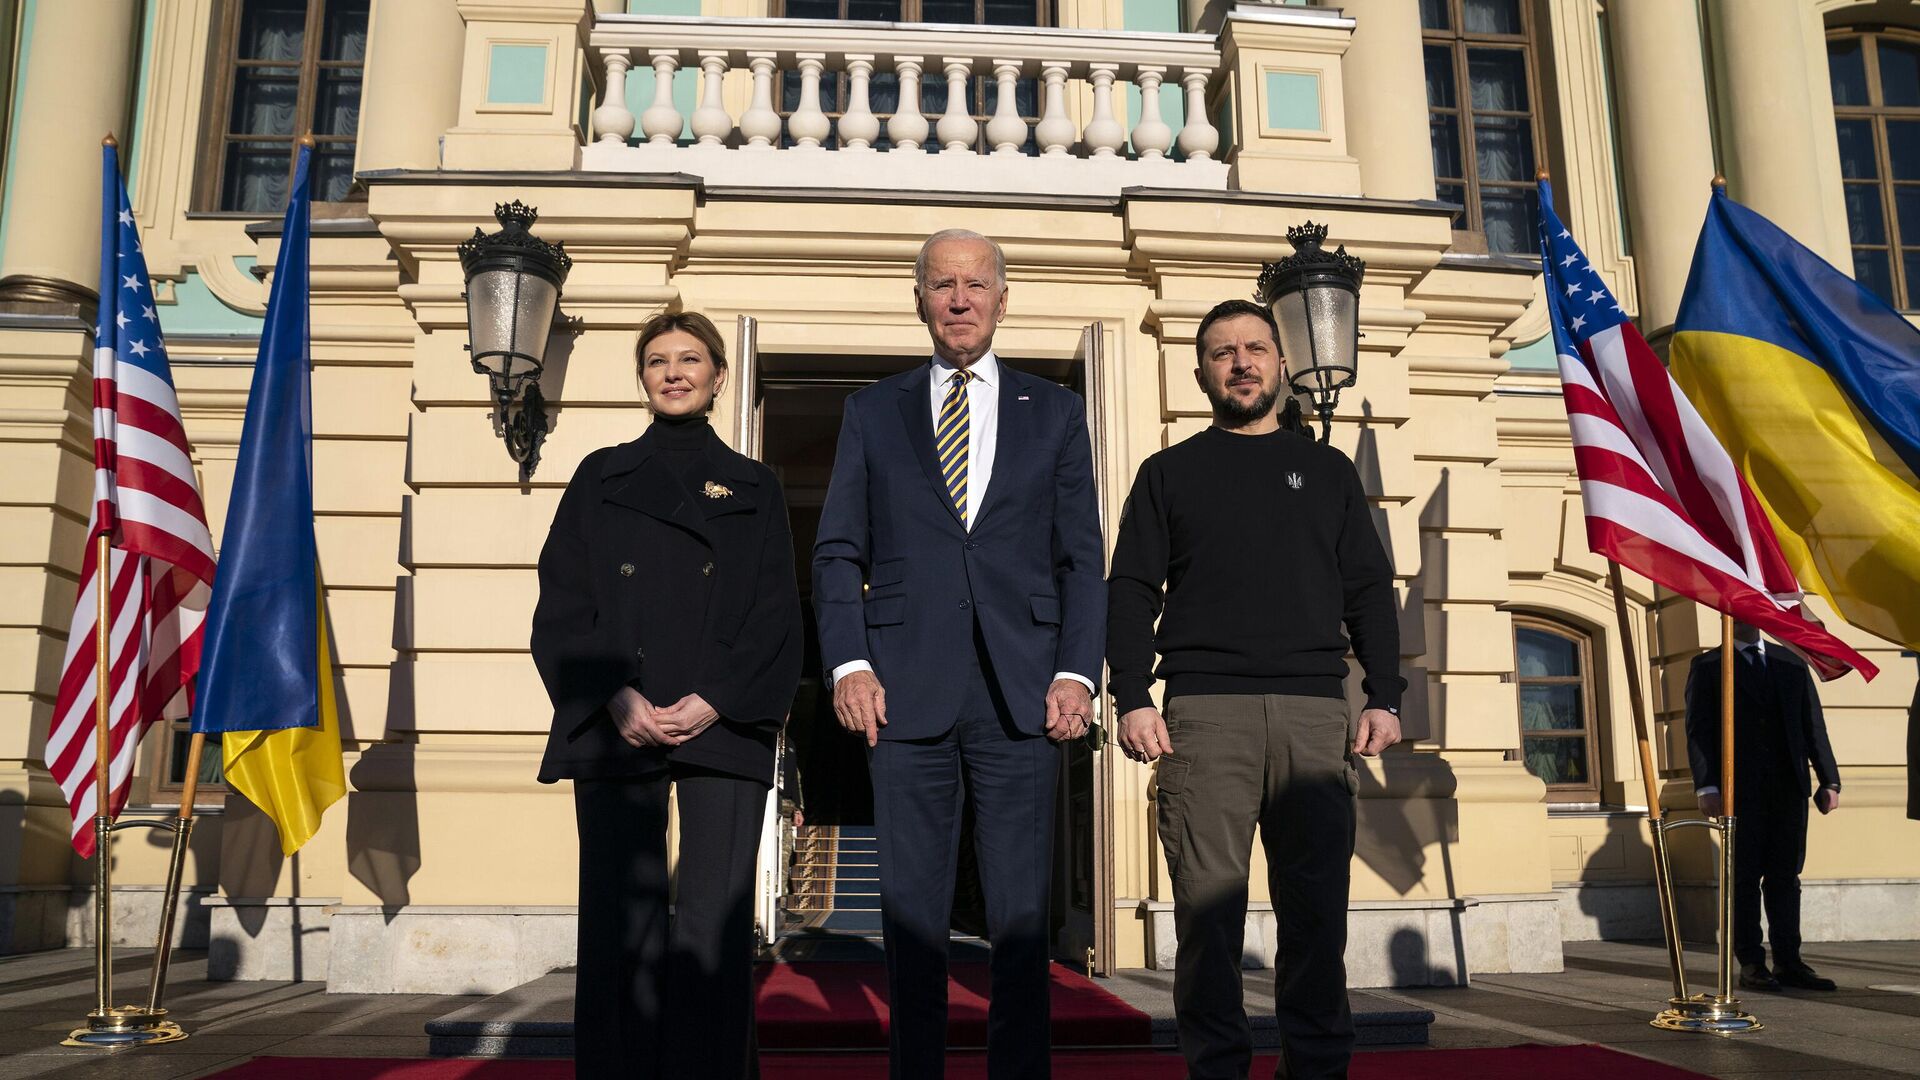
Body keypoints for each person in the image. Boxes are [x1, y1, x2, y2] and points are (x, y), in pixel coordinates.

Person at [812, 228, 1106, 1080]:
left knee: (1019, 918)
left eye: (976, 284)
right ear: (920, 300)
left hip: (1026, 692)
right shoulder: (872, 411)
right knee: (910, 915)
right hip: (904, 691)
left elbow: (1081, 556)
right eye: (942, 283)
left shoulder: (1053, 411)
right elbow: (837, 551)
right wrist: (849, 664)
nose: (960, 299)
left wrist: (1077, 671)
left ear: (1003, 300)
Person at [1108, 299, 1405, 1080]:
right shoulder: (1169, 472)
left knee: (1316, 920)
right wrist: (1132, 694)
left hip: (1315, 716)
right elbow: (1130, 590)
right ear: (1202, 370)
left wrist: (1385, 695)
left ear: (1280, 361)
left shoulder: (1331, 472)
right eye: (1221, 353)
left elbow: (1371, 588)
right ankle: (1217, 1070)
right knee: (1209, 921)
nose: (1240, 363)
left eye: (1255, 349)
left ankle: (1315, 1070)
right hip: (1204, 721)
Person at [531, 310, 803, 1079]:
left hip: (722, 719)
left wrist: (715, 698)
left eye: (690, 359)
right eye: (658, 360)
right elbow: (563, 602)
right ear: (642, 377)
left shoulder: (756, 487)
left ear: (718, 377)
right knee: (622, 928)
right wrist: (614, 694)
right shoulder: (601, 475)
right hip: (619, 717)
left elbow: (777, 613)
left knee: (711, 931)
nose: (674, 371)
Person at [1686, 621, 1841, 993]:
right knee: (1744, 878)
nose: (1748, 619)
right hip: (1738, 792)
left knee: (1786, 878)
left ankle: (1790, 962)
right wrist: (1707, 786)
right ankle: (1752, 963)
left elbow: (1812, 725)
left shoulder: (1790, 662)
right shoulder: (1709, 666)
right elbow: (1699, 729)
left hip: (1789, 788)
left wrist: (1829, 780)